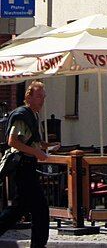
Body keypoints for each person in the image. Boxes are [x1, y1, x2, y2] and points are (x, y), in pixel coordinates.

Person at [0, 81, 50, 248]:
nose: (42, 101)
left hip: (27, 165)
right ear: (28, 97)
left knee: (19, 209)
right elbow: (12, 141)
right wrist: (37, 152)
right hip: (22, 166)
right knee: (40, 208)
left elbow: (28, 140)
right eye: (38, 97)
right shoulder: (22, 115)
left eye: (43, 97)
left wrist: (43, 146)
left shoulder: (32, 115)